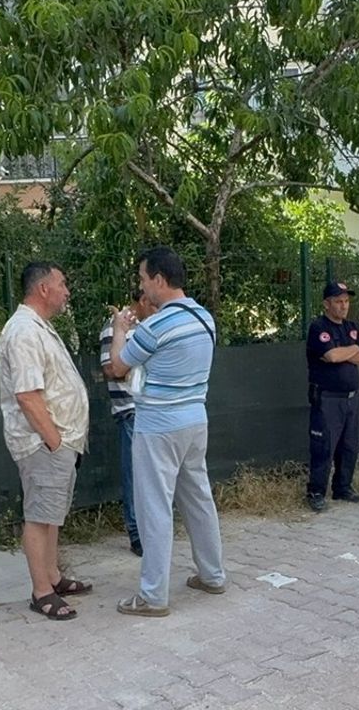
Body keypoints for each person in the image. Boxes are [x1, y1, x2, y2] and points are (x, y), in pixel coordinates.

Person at [107, 247, 227, 618]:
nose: (142, 288)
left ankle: (153, 595)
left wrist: (119, 331)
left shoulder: (158, 325)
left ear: (159, 279)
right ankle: (212, 574)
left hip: (158, 426)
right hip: (195, 420)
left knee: (154, 508)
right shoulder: (204, 317)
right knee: (198, 499)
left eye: (144, 280)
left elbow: (117, 367)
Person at [0, 262, 92, 620]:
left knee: (51, 514)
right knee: (39, 516)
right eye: (62, 283)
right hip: (42, 443)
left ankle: (52, 576)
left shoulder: (38, 328)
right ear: (43, 289)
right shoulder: (23, 331)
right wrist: (53, 441)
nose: (66, 291)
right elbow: (27, 396)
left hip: (57, 441)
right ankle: (41, 592)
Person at [305, 280, 359, 512]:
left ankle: (343, 488)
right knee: (324, 446)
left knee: (349, 445)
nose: (343, 306)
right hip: (327, 398)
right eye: (338, 302)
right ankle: (316, 492)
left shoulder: (351, 327)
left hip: (351, 397)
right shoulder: (318, 328)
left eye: (346, 301)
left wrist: (350, 352)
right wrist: (353, 349)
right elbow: (331, 356)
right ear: (326, 304)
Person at [100, 290, 155, 556]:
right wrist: (139, 368)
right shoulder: (115, 327)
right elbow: (111, 369)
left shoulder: (145, 327)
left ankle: (150, 530)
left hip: (151, 410)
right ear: (143, 301)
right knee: (134, 475)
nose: (156, 311)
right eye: (154, 306)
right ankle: (136, 534)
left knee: (150, 475)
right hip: (130, 410)